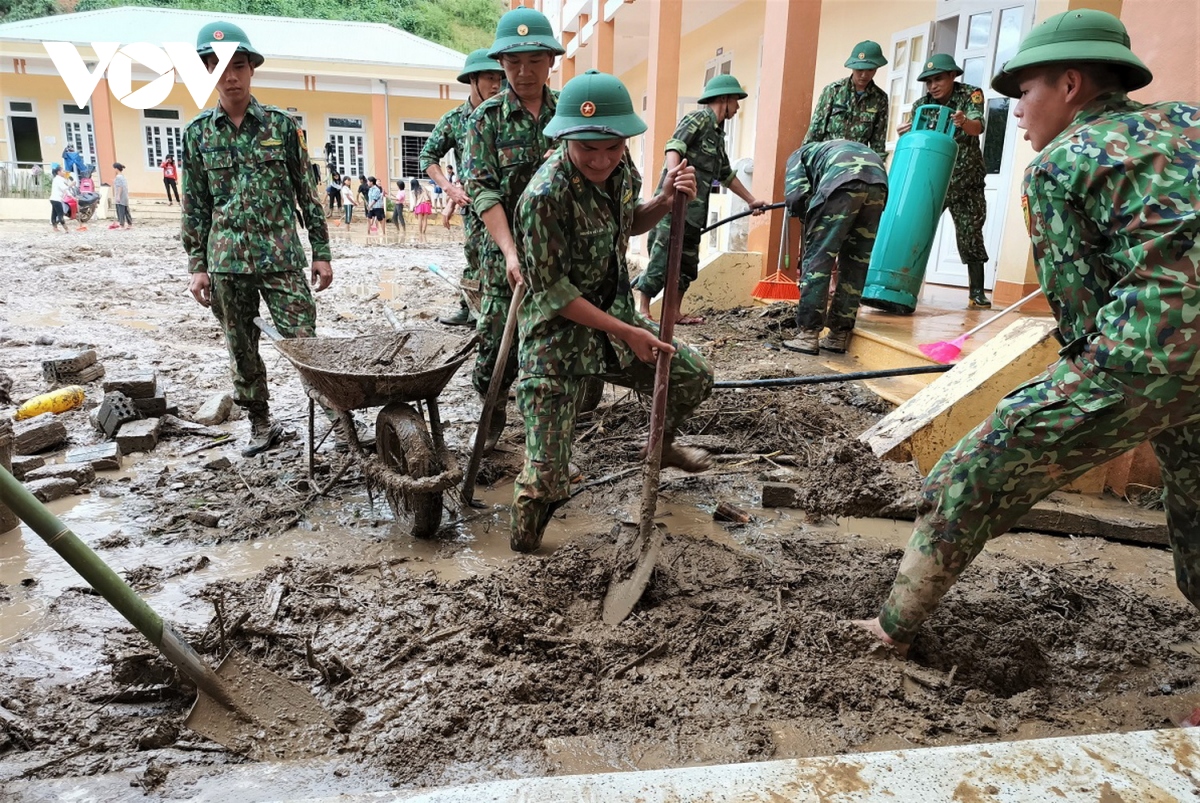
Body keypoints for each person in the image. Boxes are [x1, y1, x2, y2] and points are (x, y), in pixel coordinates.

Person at [855, 10, 1200, 660]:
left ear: (1071, 85)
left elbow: (1083, 323)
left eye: (1024, 91)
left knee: (971, 472)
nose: (1013, 111)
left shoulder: (1058, 164)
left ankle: (891, 628)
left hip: (1153, 353)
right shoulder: (1188, 123)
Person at [512, 69, 714, 553]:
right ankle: (520, 556)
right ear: (565, 139)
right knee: (546, 480)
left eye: (613, 146)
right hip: (555, 344)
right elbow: (554, 294)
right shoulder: (542, 197)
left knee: (691, 376)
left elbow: (629, 224)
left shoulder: (623, 174)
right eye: (588, 149)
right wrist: (627, 332)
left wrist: (665, 200)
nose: (601, 159)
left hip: (615, 323)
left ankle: (658, 448)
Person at [181, 20, 332, 457]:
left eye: (238, 66)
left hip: (282, 256)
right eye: (217, 66)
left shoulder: (282, 127)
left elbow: (307, 192)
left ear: (251, 69)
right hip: (226, 261)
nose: (229, 76)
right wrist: (198, 264)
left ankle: (334, 417)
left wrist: (320, 252)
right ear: (208, 71)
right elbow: (195, 205)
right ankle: (260, 423)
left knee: (304, 341)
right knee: (240, 344)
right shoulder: (197, 135)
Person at [462, 5, 565, 451]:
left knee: (553, 344)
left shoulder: (570, 117)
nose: (524, 72)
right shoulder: (485, 121)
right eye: (513, 62)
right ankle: (492, 410)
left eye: (534, 61)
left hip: (559, 252)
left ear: (551, 62)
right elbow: (483, 191)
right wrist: (509, 252)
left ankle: (548, 442)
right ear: (500, 65)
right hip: (502, 253)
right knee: (495, 349)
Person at [632, 74, 767, 324]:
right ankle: (642, 310)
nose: (737, 108)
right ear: (724, 98)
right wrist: (673, 176)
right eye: (736, 101)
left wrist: (751, 200)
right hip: (673, 208)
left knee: (687, 265)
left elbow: (726, 175)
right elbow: (674, 146)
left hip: (694, 214)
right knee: (662, 259)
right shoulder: (697, 119)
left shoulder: (717, 136)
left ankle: (673, 312)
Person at [421, 48, 506, 327]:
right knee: (474, 256)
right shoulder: (455, 120)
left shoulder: (508, 115)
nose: (497, 85)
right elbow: (428, 157)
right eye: (490, 78)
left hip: (507, 202)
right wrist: (450, 190)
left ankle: (498, 315)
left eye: (500, 79)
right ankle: (469, 308)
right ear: (472, 80)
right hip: (473, 205)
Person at [779, 140, 887, 355]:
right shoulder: (830, 149)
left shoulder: (797, 155)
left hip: (841, 182)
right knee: (856, 262)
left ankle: (808, 334)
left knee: (818, 259)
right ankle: (838, 335)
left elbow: (796, 196)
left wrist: (811, 229)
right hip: (878, 185)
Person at [899, 53, 990, 309]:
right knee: (917, 229)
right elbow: (918, 139)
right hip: (933, 180)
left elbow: (977, 128)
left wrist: (963, 122)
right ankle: (903, 283)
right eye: (928, 82)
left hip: (967, 180)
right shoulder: (921, 105)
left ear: (952, 75)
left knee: (970, 233)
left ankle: (976, 292)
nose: (933, 86)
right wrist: (905, 134)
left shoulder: (971, 94)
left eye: (938, 79)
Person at [804, 41, 890, 159]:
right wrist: (805, 161)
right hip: (828, 158)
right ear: (852, 67)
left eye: (870, 70)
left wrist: (877, 168)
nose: (864, 75)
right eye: (860, 70)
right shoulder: (833, 91)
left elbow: (878, 141)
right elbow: (815, 131)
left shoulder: (880, 98)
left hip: (857, 163)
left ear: (876, 68)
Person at [109, 162, 132, 230]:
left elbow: (120, 187)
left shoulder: (118, 177)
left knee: (120, 211)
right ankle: (129, 223)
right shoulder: (122, 177)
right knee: (126, 210)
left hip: (121, 196)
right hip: (124, 196)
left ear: (116, 169)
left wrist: (118, 196)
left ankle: (122, 225)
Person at [49, 167, 71, 232]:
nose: (64, 172)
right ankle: (66, 228)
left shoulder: (58, 179)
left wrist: (71, 196)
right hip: (56, 199)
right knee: (60, 214)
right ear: (59, 172)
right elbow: (64, 188)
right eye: (63, 171)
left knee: (54, 213)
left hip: (53, 199)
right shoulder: (58, 180)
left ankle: (55, 227)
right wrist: (71, 185)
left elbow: (65, 188)